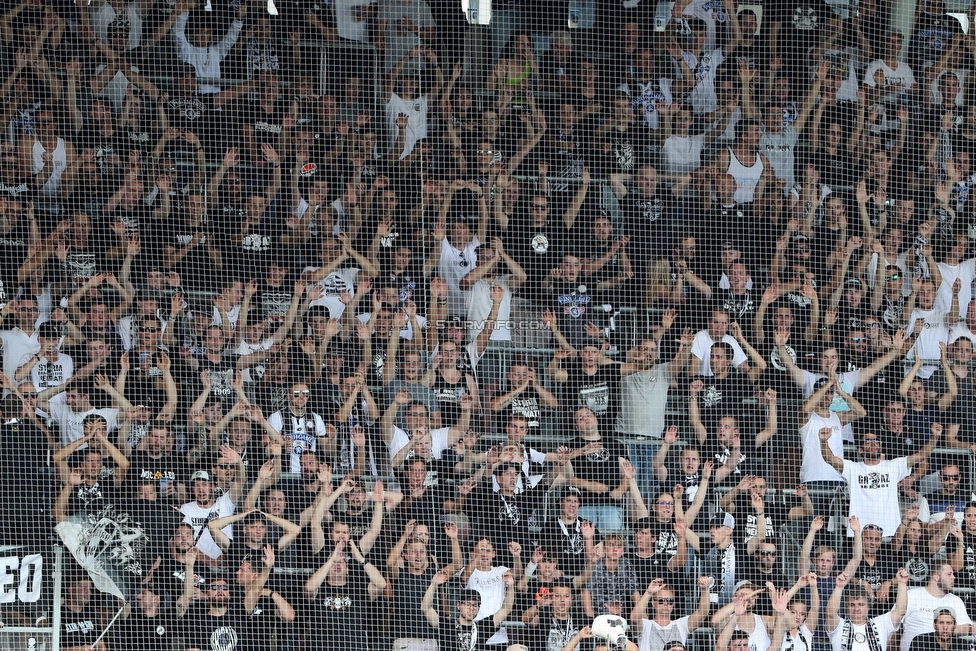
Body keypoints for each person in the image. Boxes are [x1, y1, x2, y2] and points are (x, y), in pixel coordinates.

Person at [825, 569, 910, 651]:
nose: (856, 608)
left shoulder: (880, 623)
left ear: (868, 607)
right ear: (846, 607)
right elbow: (830, 613)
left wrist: (902, 584)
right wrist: (839, 587)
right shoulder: (839, 625)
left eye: (861, 604)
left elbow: (900, 612)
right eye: (852, 605)